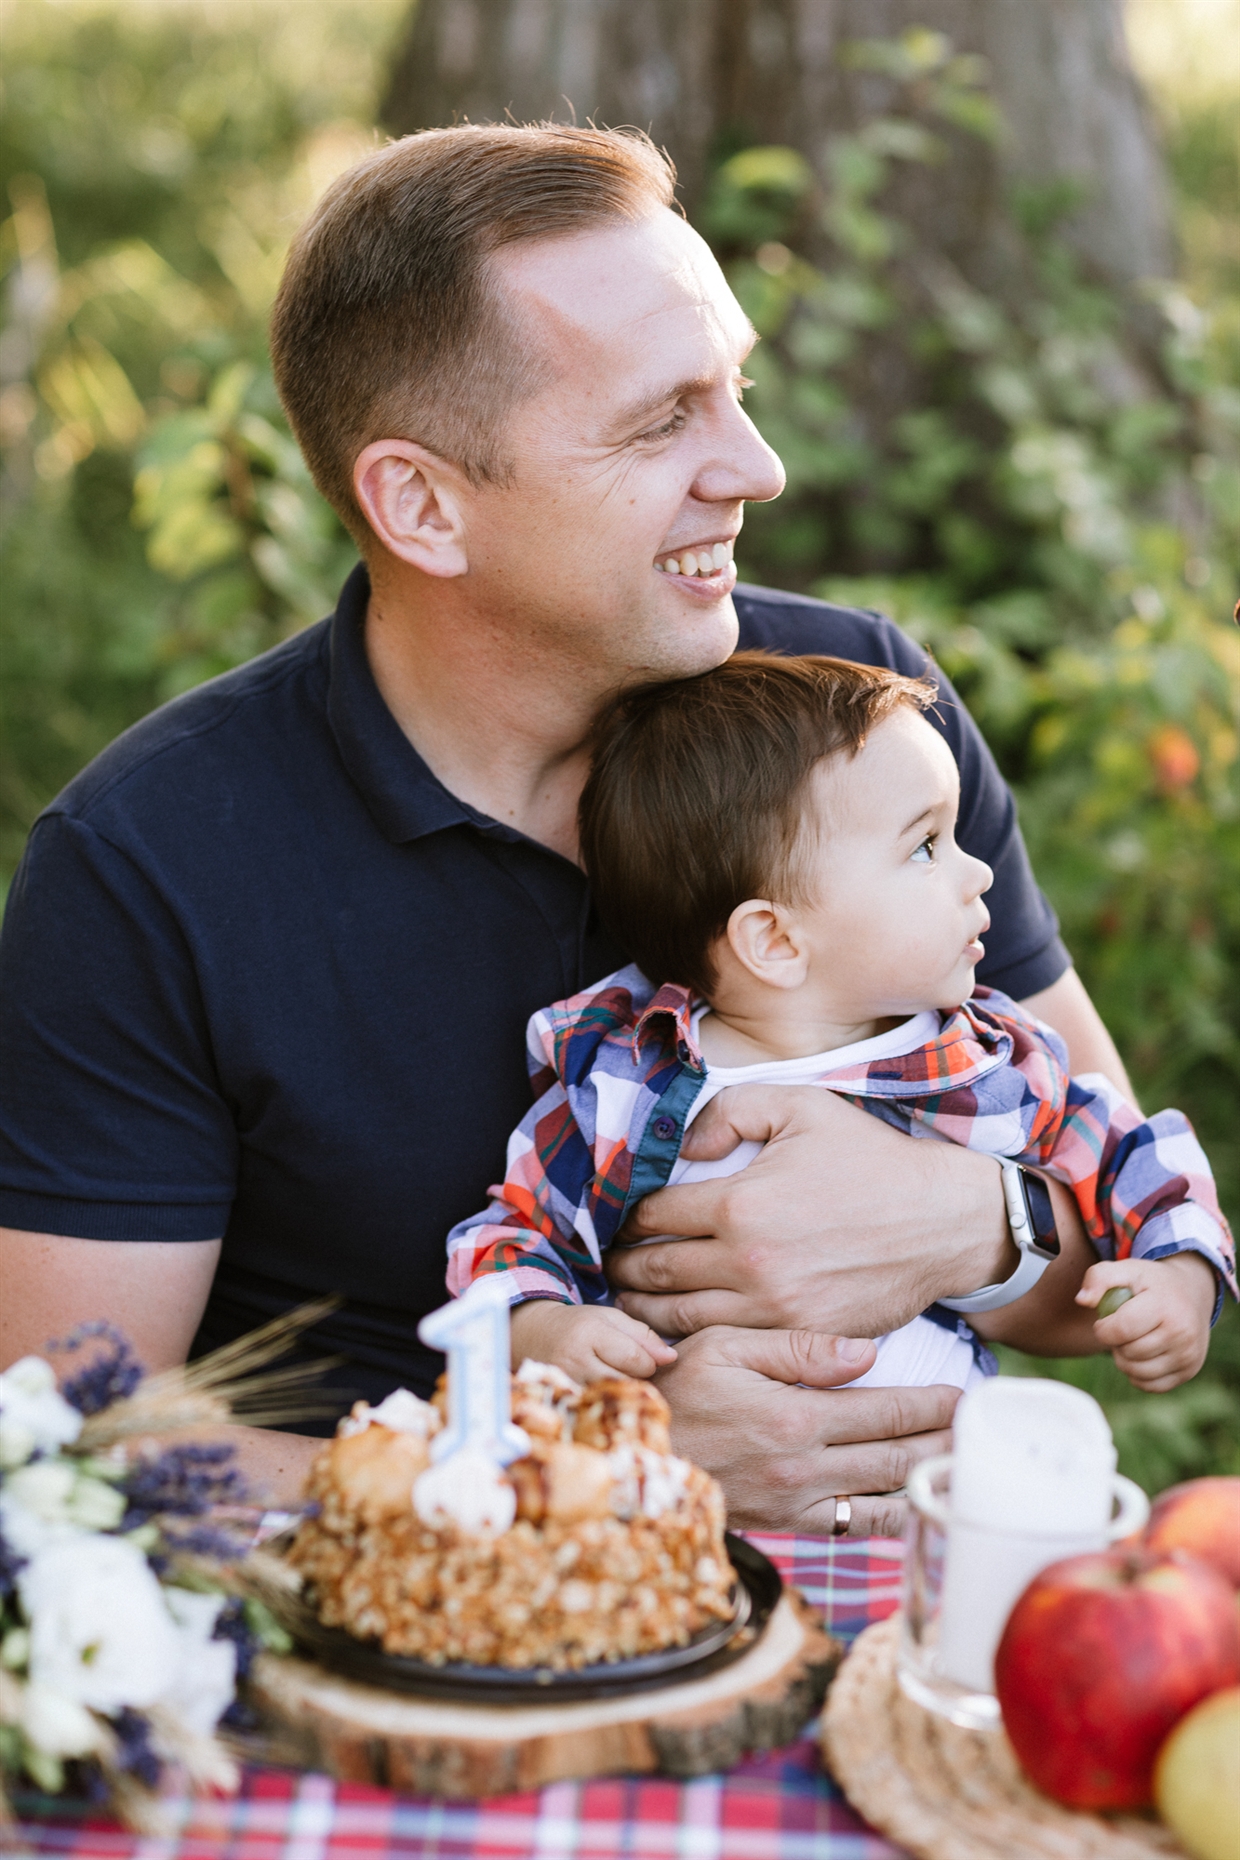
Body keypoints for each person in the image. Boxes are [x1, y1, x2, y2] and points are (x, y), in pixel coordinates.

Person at [0, 125, 1147, 1531]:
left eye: (735, 390)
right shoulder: (151, 865)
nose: (758, 467)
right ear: (422, 503)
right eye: (662, 420)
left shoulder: (856, 726)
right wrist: (586, 1485)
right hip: (419, 1681)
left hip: (892, 1624)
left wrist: (974, 1219)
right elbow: (75, 1440)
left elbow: (1115, 1250)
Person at [448, 653, 1232, 1394]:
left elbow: (1132, 1148)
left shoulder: (984, 1060)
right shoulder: (623, 1086)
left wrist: (1182, 1270)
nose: (978, 871)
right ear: (777, 941)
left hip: (924, 1490)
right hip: (693, 1507)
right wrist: (540, 1327)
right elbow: (515, 1230)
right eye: (926, 846)